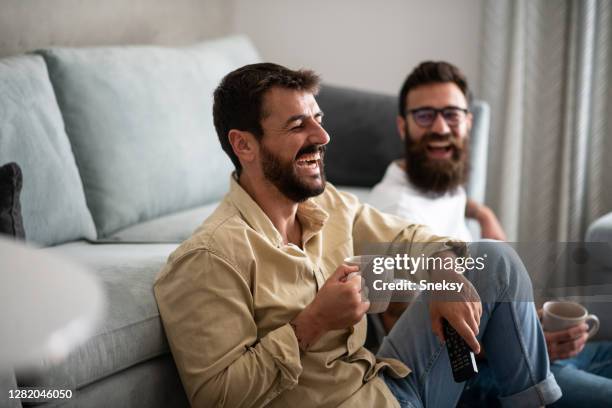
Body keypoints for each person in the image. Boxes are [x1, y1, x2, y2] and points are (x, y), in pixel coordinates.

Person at [154, 62, 561, 407]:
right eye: (299, 125)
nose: (321, 136)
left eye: (319, 119)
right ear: (244, 145)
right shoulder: (210, 257)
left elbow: (408, 237)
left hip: (390, 388)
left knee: (493, 260)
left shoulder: (329, 205)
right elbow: (215, 396)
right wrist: (310, 324)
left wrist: (442, 269)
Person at [368, 60, 612, 408]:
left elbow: (459, 205)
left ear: (468, 122)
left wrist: (483, 213)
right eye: (424, 116)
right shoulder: (393, 213)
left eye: (451, 115)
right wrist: (520, 337)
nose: (440, 127)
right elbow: (414, 339)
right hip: (472, 376)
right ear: (402, 126)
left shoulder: (439, 185)